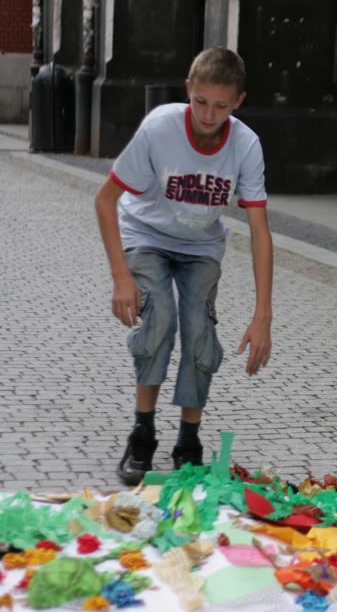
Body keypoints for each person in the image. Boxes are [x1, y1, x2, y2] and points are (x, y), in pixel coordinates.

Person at [95, 47, 275, 485]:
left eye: (221, 105)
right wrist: (121, 276)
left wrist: (263, 314)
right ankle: (142, 434)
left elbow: (259, 232)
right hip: (146, 236)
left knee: (199, 332)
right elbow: (105, 200)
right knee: (160, 322)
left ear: (238, 102)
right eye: (200, 102)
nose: (209, 115)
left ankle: (188, 441)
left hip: (201, 247)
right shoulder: (159, 129)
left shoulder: (246, 145)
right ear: (187, 90)